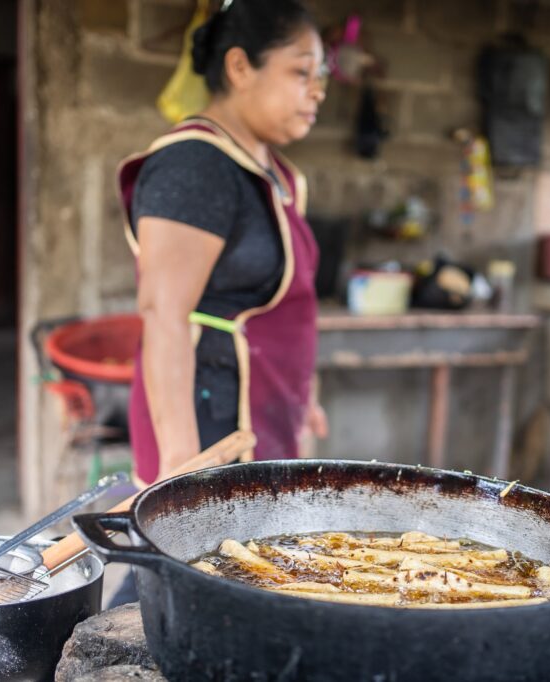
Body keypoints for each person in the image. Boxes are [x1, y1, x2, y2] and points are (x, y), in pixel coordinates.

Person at [110, 0, 327, 606]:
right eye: (300, 72)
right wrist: (179, 454)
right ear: (239, 67)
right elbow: (164, 313)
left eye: (322, 78)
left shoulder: (276, 173)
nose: (317, 93)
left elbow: (287, 303)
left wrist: (306, 397)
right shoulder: (194, 166)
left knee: (248, 569)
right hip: (206, 403)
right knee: (182, 566)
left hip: (263, 400)